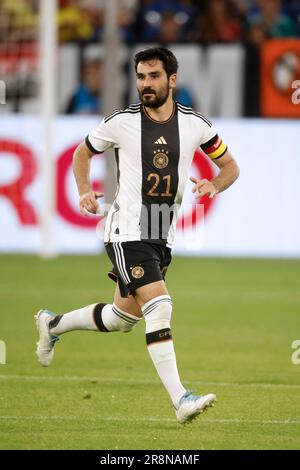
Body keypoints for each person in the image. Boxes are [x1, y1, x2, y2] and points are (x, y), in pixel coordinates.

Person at [35, 47, 239, 424]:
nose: (146, 84)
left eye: (154, 76)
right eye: (141, 77)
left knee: (121, 318)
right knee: (160, 306)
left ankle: (52, 324)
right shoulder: (120, 122)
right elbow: (82, 153)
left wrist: (214, 184)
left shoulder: (196, 124)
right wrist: (83, 189)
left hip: (163, 232)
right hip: (126, 229)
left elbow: (230, 166)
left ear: (172, 80)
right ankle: (181, 400)